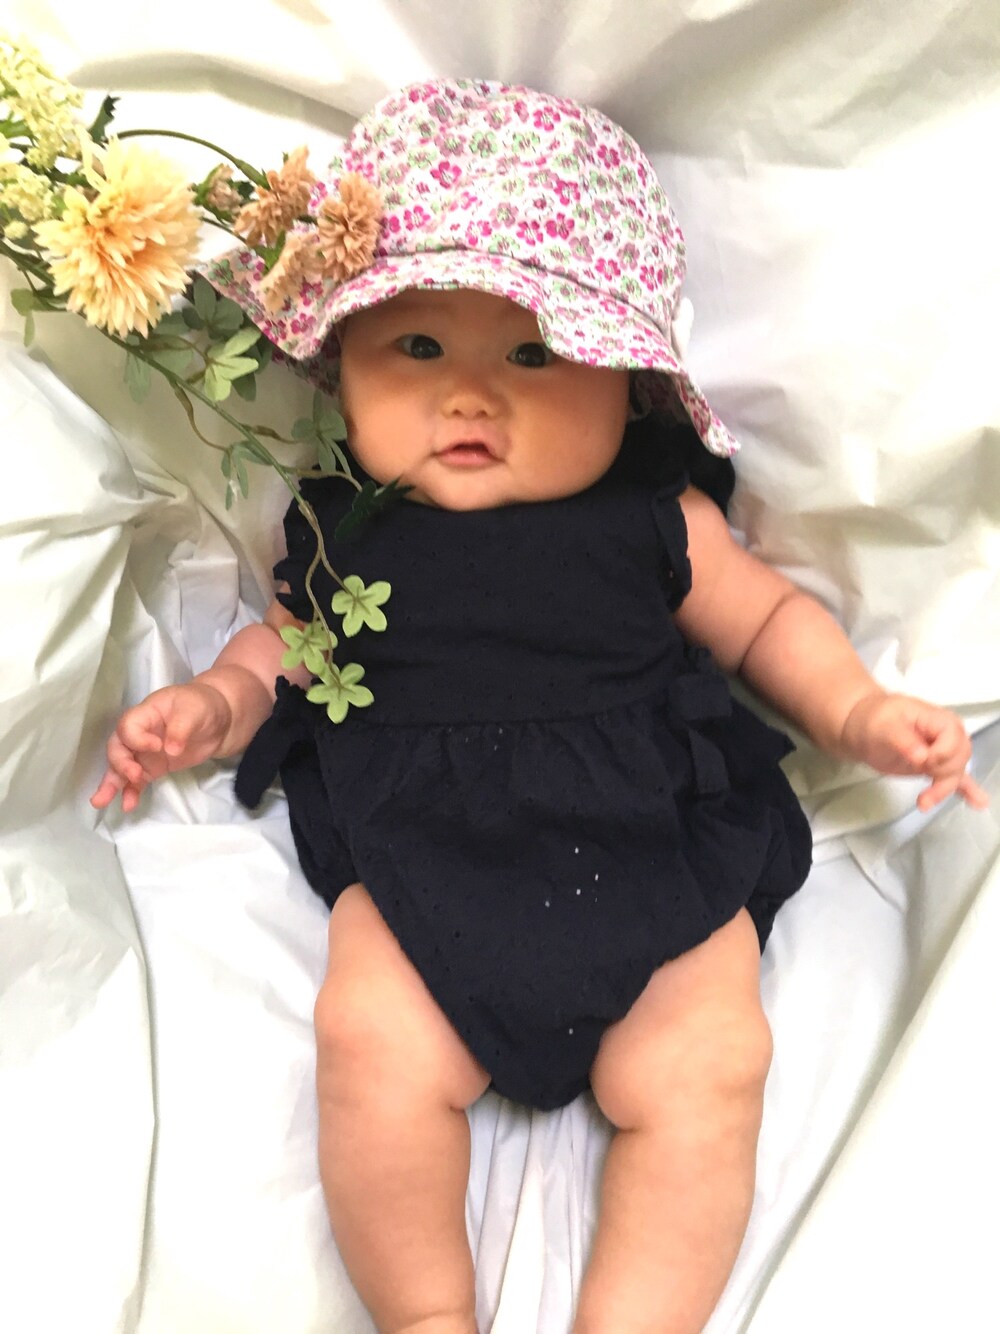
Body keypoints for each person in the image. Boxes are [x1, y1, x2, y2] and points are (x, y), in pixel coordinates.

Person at [90, 80, 988, 1334]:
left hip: (654, 837)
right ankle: (426, 1313)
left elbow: (767, 619)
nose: (470, 394)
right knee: (369, 1036)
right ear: (341, 369)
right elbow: (285, 648)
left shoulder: (655, 516)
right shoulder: (346, 527)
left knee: (711, 1059)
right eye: (417, 347)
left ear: (628, 383)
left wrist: (857, 711)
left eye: (533, 352)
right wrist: (210, 702)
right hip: (426, 857)